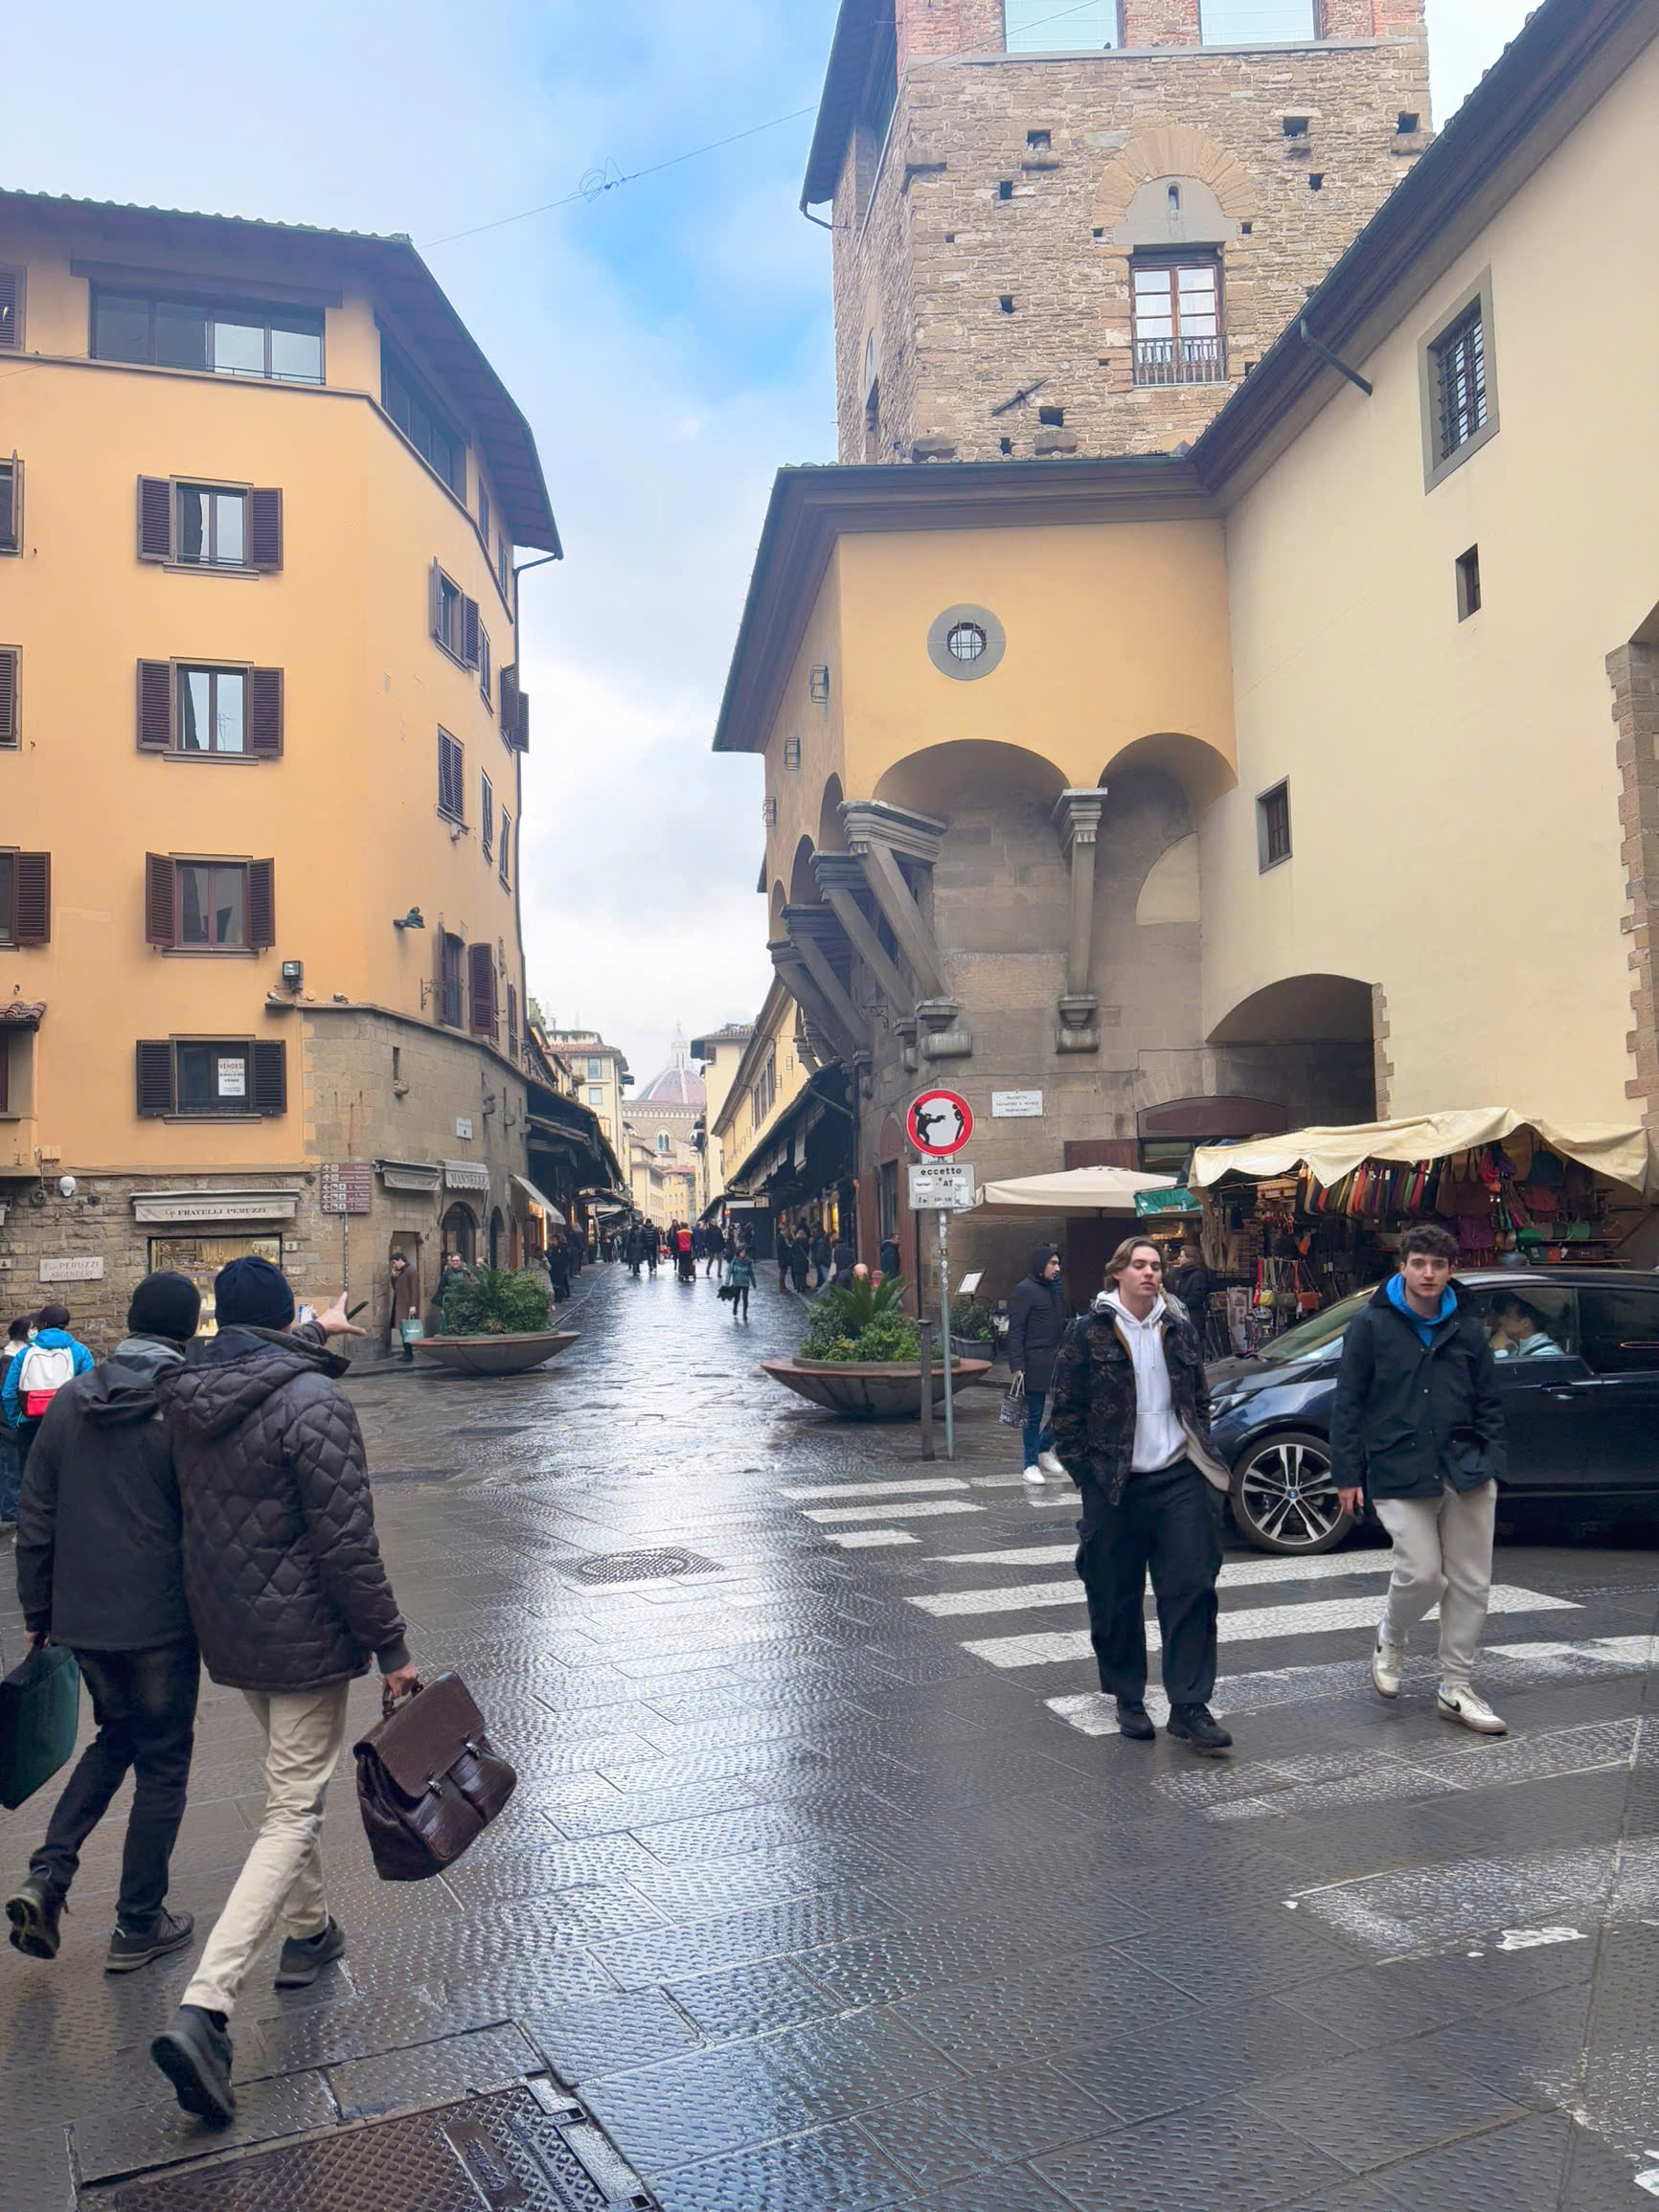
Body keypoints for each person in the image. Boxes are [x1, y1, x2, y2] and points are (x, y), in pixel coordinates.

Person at [148, 1257, 415, 2126]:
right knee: (294, 1809)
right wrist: (392, 1648)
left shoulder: (188, 1393)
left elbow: (255, 1369)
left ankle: (309, 1933)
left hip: (230, 1625)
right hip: (302, 1632)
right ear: (277, 1323)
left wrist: (313, 1331)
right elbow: (347, 1546)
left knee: (285, 1786)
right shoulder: (315, 1404)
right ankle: (207, 2006)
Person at [7, 1274, 203, 1974]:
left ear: (130, 1321)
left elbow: (35, 1518)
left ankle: (49, 1873)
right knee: (163, 1760)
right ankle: (138, 1924)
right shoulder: (188, 1402)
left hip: (83, 1618)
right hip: (162, 1621)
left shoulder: (70, 1401)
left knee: (116, 1734)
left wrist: (38, 1613)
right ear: (188, 1330)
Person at [1050, 1237, 1233, 1755]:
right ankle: (1128, 1697)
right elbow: (1065, 1412)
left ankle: (1190, 1705)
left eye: (1155, 1265)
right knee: (1115, 1593)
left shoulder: (1179, 1326)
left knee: (1193, 1587)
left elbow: (1199, 1397)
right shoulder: (1087, 1331)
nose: (1150, 1272)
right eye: (1139, 1265)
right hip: (1115, 1482)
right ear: (1118, 1273)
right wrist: (1087, 1476)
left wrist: (1200, 1449)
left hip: (1178, 1477)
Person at [1331, 1223, 1508, 1735]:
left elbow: (1489, 1399)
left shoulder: (1468, 1328)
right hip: (1398, 1464)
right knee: (1423, 1574)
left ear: (1451, 1271)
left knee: (1471, 1582)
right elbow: (1348, 1403)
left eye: (1438, 1265)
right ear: (1403, 1267)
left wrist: (1492, 1458)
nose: (1428, 1273)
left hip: (1466, 1466)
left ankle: (1456, 1687)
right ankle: (1392, 1632)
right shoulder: (1371, 1325)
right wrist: (1347, 1473)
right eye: (1419, 1263)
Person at [4, 1305, 96, 1476]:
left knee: (31, 1477)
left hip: (29, 1423)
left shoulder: (24, 1354)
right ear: (66, 1324)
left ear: (43, 1324)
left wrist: (16, 1422)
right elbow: (90, 1389)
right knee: (67, 1476)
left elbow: (8, 1393)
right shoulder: (80, 1351)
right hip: (67, 1422)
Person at [1007, 1246, 1067, 1486]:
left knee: (1067, 1410)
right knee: (1033, 1415)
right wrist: (1017, 1365)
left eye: (1058, 1263)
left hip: (1058, 1361)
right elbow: (1016, 1330)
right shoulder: (1024, 1290)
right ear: (1041, 1264)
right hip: (1033, 1363)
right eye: (1053, 1263)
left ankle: (1044, 1447)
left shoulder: (1054, 1289)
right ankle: (1030, 1464)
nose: (1057, 1268)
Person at [0, 1318, 31, 1524]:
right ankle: (10, 1511)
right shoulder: (10, 1362)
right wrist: (13, 1422)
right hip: (8, 1425)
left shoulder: (9, 1358)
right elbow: (7, 1395)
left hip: (8, 1423)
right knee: (11, 1470)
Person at [1489, 1293, 1562, 1361]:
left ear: (1525, 1323)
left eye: (1507, 1316)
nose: (1500, 1319)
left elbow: (1510, 1371)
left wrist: (1500, 1351)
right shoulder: (1516, 1349)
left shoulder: (1547, 1353)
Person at [383, 1253, 420, 1365]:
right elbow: (395, 1287)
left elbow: (414, 1289)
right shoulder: (401, 1271)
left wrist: (413, 1305)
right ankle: (407, 1352)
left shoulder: (411, 1270)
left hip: (407, 1305)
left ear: (400, 1260)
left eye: (395, 1262)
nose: (394, 1265)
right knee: (402, 1329)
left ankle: (408, 1353)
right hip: (400, 1304)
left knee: (406, 1330)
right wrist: (393, 1276)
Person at [426, 1251, 469, 1335]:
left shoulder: (465, 1273)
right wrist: (450, 1291)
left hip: (462, 1300)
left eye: (457, 1261)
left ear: (461, 1262)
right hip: (450, 1301)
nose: (455, 1262)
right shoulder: (447, 1273)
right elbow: (441, 1287)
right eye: (453, 1261)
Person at [726, 1241, 756, 1323]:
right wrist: (727, 1282)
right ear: (739, 1253)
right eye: (742, 1252)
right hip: (737, 1283)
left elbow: (751, 1273)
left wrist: (754, 1283)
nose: (743, 1254)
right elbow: (729, 1272)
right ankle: (735, 1308)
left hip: (745, 1283)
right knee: (737, 1298)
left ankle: (744, 1314)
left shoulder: (748, 1261)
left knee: (745, 1299)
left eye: (744, 1252)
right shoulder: (734, 1261)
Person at [809, 1226, 831, 1291]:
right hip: (820, 1259)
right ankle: (821, 1286)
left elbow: (813, 1246)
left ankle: (819, 1285)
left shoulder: (816, 1236)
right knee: (822, 1274)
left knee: (820, 1273)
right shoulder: (822, 1240)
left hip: (817, 1257)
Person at [789, 1230, 810, 1297]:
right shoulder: (806, 1242)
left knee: (797, 1274)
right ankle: (803, 1287)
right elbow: (807, 1250)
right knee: (803, 1274)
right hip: (804, 1259)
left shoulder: (795, 1242)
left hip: (796, 1259)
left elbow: (792, 1251)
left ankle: (798, 1287)